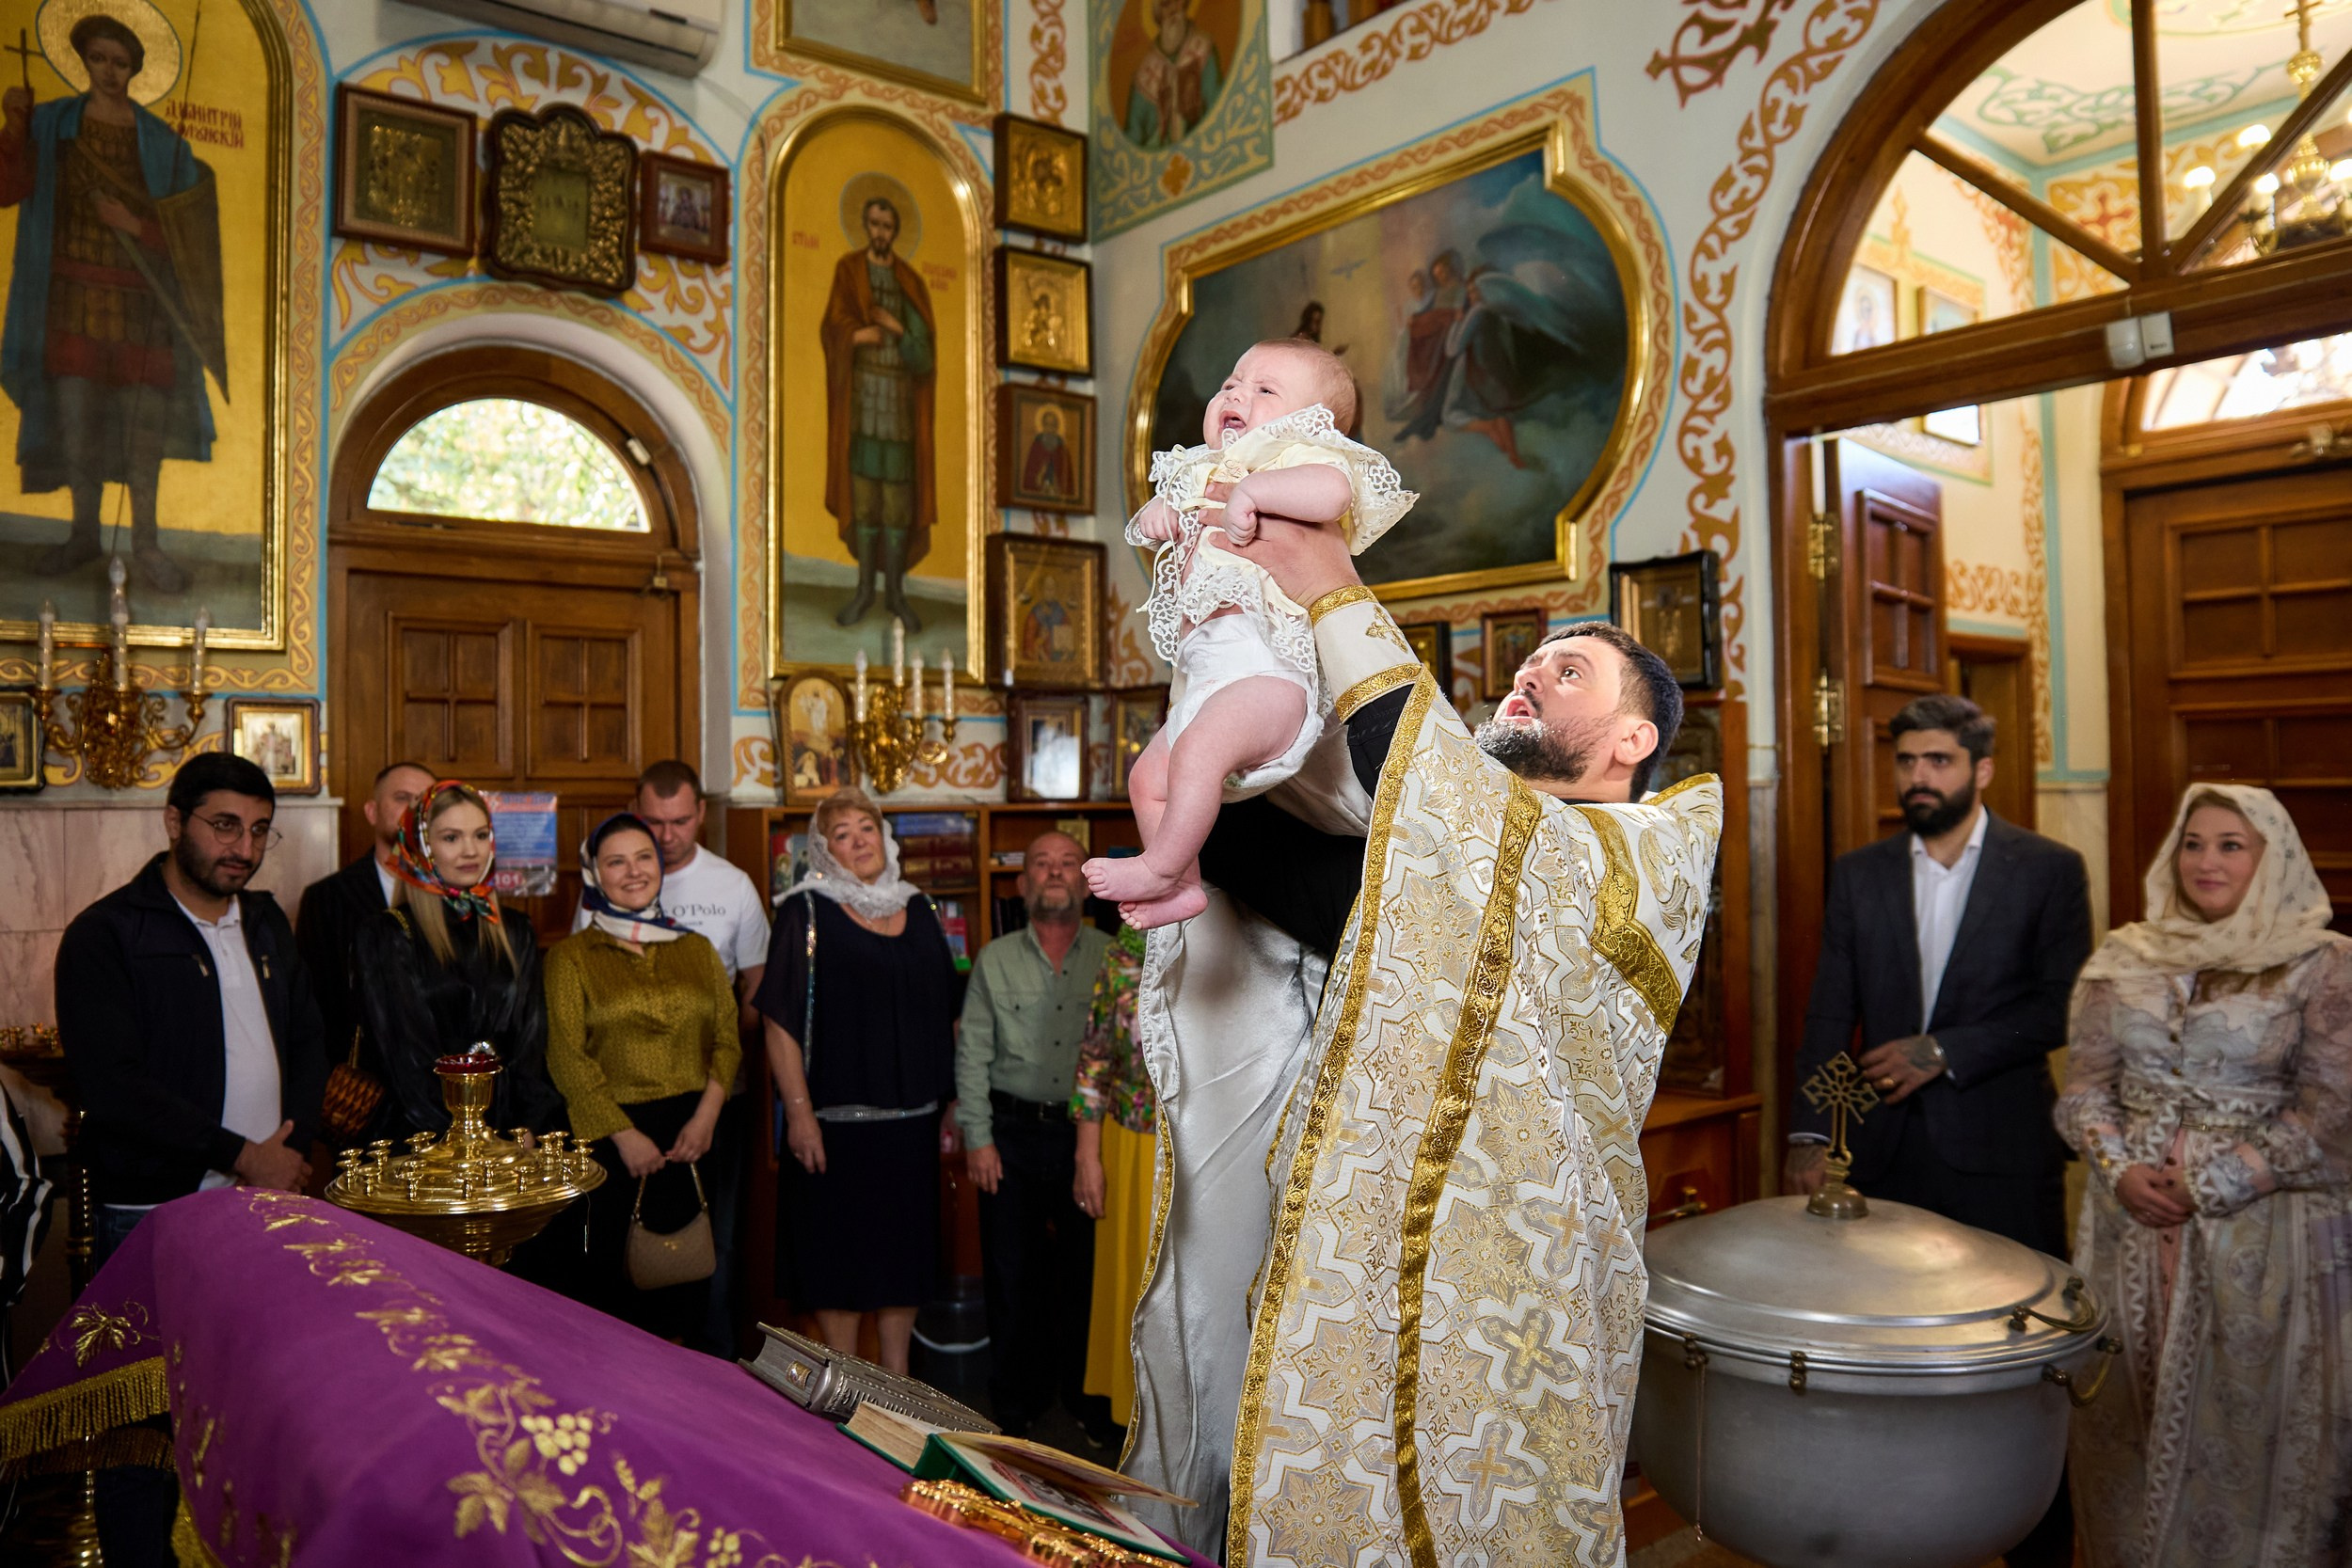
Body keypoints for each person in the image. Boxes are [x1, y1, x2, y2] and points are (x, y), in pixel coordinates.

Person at [1112, 472, 1718, 1562]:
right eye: (1529, 665)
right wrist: (1226, 666)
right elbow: (1272, 855)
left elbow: (1456, 809)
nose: (1530, 678)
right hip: (1358, 1266)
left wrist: (1333, 581)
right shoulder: (1436, 857)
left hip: (1515, 1287)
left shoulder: (1644, 857)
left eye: (1568, 672)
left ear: (1633, 738)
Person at [2057, 785, 2350, 1568]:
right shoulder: (2125, 955)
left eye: (2232, 844)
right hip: (2129, 1229)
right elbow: (2084, 1087)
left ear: (2271, 857)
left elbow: (2333, 1111)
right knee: (2126, 1411)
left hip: (2261, 1235)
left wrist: (2219, 1181)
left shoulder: (2321, 962)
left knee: (2247, 1428)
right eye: (2194, 842)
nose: (2207, 860)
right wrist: (2119, 1170)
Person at [53, 751, 326, 1567]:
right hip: (153, 1214)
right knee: (149, 1421)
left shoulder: (269, 922)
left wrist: (292, 1149)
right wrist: (238, 1153)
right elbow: (113, 1084)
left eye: (259, 831)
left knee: (259, 1409)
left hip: (269, 1205)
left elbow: (309, 1040)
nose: (242, 846)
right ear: (175, 822)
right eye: (224, 825)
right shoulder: (108, 934)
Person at [1084, 338, 1417, 928]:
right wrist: (1156, 517)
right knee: (1145, 778)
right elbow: (1150, 521)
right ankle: (1181, 887)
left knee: (1199, 755)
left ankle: (1161, 865)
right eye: (1232, 382)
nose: (1237, 393)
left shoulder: (1302, 463)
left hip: (1269, 679)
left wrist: (1253, 492)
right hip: (1203, 684)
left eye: (1266, 390)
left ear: (1314, 425)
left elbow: (1332, 494)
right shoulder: (1196, 472)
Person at [1786, 693, 2092, 1260]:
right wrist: (1811, 1132)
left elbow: (2061, 1007)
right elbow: (1829, 1014)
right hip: (1880, 1149)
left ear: (1983, 770)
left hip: (2001, 1149)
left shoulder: (2048, 871)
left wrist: (1944, 1050)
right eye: (1906, 762)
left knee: (2015, 1319)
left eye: (1938, 761)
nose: (1918, 777)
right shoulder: (1860, 875)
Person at [0, 12, 225, 594]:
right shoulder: (51, 126)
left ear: (136, 69)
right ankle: (82, 535)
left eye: (121, 62)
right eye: (99, 58)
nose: (109, 71)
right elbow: (8, 189)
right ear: (82, 60)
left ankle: (146, 543)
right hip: (70, 299)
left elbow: (190, 234)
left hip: (141, 310)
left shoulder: (162, 144)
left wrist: (135, 223)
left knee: (141, 432)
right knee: (78, 424)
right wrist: (15, 124)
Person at [755, 788, 959, 1377]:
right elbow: (779, 1020)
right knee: (837, 1267)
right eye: (841, 834)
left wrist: (951, 1100)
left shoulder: (919, 909)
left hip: (912, 1124)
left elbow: (946, 1007)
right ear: (824, 851)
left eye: (865, 827)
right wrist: (798, 1114)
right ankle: (843, 1388)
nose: (858, 840)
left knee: (905, 1262)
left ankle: (896, 1386)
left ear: (883, 834)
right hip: (834, 1131)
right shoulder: (805, 912)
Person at [572, 760, 770, 1355]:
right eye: (653, 822)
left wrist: (709, 1071)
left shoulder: (732, 886)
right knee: (623, 1239)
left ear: (702, 814)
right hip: (622, 1109)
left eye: (679, 821)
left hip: (711, 1100)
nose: (664, 836)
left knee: (711, 1234)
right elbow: (578, 1010)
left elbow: (755, 997)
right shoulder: (603, 883)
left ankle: (710, 1361)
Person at [544, 814, 739, 1343]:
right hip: (611, 1144)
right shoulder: (571, 959)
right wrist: (624, 1137)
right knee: (615, 1297)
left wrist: (707, 1117)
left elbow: (727, 1039)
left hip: (693, 1140)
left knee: (687, 1285)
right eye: (616, 862)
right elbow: (567, 1059)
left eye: (644, 857)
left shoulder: (695, 949)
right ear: (595, 876)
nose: (634, 872)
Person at [954, 832, 1117, 1446]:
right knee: (1010, 1272)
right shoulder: (994, 959)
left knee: (1087, 1276)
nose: (1054, 872)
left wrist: (1094, 1152)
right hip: (1011, 1136)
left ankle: (1082, 1396)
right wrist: (979, 1137)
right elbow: (972, 1052)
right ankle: (1013, 1399)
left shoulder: (1114, 957)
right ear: (1021, 885)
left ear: (1086, 881)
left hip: (1089, 1139)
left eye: (1068, 862)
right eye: (1040, 863)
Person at [351, 779, 556, 1143]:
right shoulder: (388, 934)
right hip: (425, 1138)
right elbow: (405, 1060)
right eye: (450, 838)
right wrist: (465, 1140)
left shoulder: (515, 929)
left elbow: (531, 1041)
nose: (470, 851)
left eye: (480, 835)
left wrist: (526, 1126)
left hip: (508, 1130)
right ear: (421, 848)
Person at [821, 195, 936, 630]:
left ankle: (896, 596)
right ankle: (865, 591)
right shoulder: (849, 272)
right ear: (865, 226)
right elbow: (832, 328)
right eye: (873, 224)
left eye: (887, 226)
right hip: (862, 406)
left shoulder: (910, 282)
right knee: (865, 500)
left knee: (897, 506)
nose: (880, 233)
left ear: (896, 230)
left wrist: (897, 329)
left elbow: (925, 357)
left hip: (902, 414)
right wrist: (857, 334)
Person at [294, 760, 434, 1084]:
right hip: (363, 1087)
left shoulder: (459, 897)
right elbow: (315, 1006)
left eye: (425, 801)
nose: (414, 809)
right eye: (402, 798)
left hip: (443, 1084)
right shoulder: (327, 898)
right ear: (372, 812)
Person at [1069, 924, 1153, 1434]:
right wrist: (1087, 1155)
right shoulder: (1128, 945)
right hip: (1133, 1143)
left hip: (1214, 1145)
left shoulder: (1246, 923)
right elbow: (1096, 1054)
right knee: (1135, 1284)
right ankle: (1132, 1423)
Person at [1123, 0, 1223, 150]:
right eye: (1166, 4)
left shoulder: (1203, 50)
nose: (1173, 10)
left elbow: (1216, 110)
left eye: (1178, 2)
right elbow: (1133, 137)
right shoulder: (1144, 75)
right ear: (1157, 14)